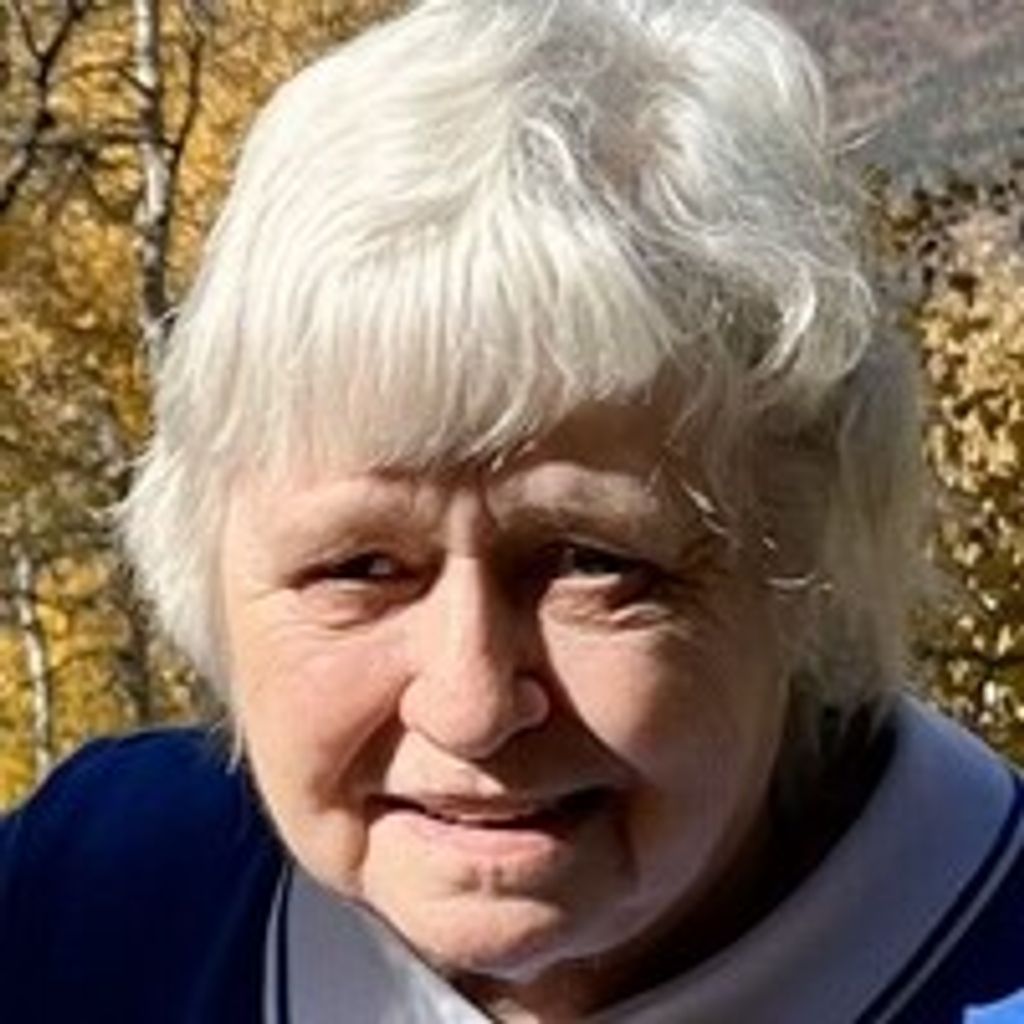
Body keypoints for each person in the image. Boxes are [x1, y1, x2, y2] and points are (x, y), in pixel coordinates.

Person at [1, 0, 1022, 1020]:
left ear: (812, 561)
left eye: (590, 561)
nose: (471, 706)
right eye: (359, 568)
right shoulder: (92, 905)